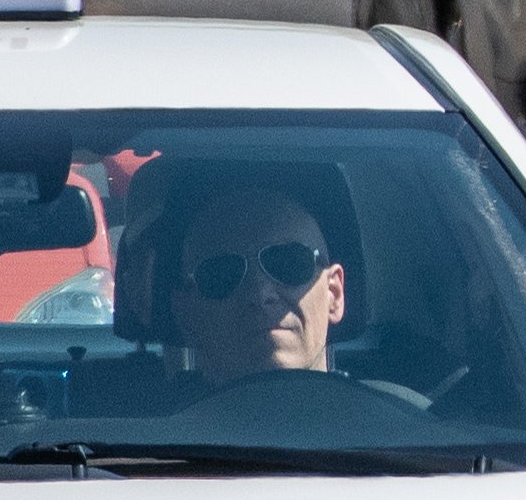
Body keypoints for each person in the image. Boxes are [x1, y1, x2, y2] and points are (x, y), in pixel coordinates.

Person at [114, 155, 355, 400]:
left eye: (289, 263)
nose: (261, 294)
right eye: (222, 274)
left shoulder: (391, 425)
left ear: (334, 293)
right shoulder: (138, 436)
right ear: (186, 315)